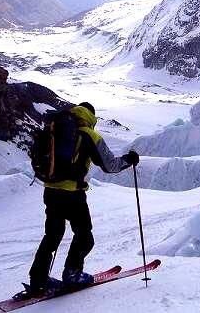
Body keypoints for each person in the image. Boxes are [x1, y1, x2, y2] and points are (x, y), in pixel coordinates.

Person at [27, 102, 139, 294]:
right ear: (91, 116)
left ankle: (38, 278)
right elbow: (110, 165)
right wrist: (129, 160)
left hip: (50, 191)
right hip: (72, 195)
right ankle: (73, 273)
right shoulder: (88, 134)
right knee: (85, 235)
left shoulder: (55, 128)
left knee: (52, 235)